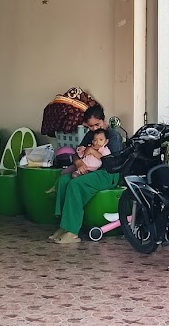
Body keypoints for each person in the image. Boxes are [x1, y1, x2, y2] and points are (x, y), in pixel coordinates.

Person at [50, 104, 123, 244]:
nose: (94, 128)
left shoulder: (113, 136)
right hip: (90, 170)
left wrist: (93, 152)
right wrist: (78, 162)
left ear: (103, 120)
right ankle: (64, 226)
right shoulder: (90, 135)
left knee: (75, 184)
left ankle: (72, 232)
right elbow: (77, 153)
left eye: (97, 124)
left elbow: (114, 163)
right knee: (63, 181)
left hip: (108, 173)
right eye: (90, 126)